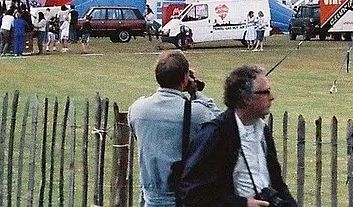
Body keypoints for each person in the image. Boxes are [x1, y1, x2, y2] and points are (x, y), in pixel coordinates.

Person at [179, 65, 299, 207]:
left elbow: (277, 184)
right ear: (246, 98)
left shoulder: (263, 131)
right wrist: (241, 203)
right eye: (265, 92)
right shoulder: (215, 135)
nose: (271, 97)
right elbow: (192, 193)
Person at [128, 50, 223, 206]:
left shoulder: (137, 109)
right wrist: (195, 93)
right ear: (185, 78)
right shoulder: (196, 113)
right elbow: (220, 125)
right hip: (185, 198)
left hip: (151, 198)